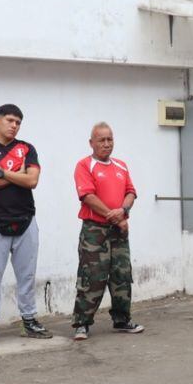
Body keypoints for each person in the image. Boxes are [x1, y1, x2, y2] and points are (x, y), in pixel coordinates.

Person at [0, 103, 51, 345]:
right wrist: (19, 174)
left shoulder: (27, 148)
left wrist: (2, 173)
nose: (14, 125)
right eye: (9, 120)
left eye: (18, 122)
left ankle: (29, 321)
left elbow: (32, 181)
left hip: (26, 220)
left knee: (27, 275)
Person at [71, 122, 144, 340]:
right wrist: (114, 217)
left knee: (122, 274)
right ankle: (82, 323)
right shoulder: (84, 165)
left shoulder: (121, 166)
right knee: (92, 276)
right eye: (101, 140)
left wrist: (123, 211)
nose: (106, 144)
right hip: (95, 231)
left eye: (109, 139)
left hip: (119, 230)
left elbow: (131, 192)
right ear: (91, 143)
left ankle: (122, 319)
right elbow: (87, 196)